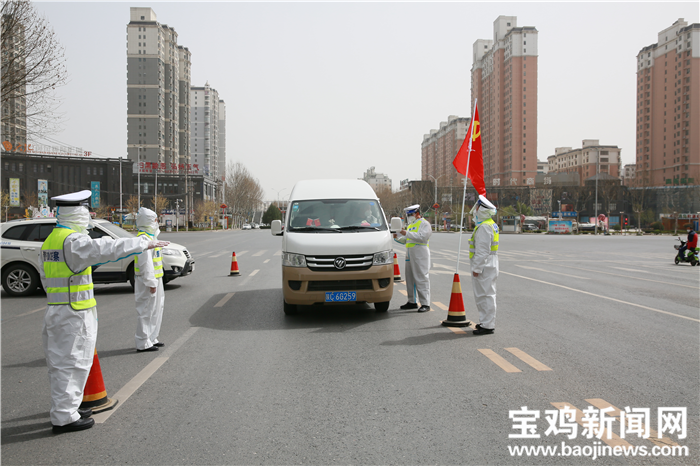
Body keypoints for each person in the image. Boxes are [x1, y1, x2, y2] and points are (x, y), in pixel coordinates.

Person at [40, 191, 169, 433]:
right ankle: (64, 416)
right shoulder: (72, 242)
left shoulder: (52, 240)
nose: (89, 217)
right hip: (74, 312)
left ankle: (69, 407)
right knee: (73, 363)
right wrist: (143, 242)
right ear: (76, 212)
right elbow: (107, 248)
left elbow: (45, 277)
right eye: (85, 211)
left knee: (63, 363)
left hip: (59, 310)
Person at [134, 207, 166, 352]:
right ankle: (143, 342)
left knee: (157, 309)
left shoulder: (151, 237)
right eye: (155, 220)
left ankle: (152, 337)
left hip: (156, 279)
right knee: (146, 311)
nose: (157, 222)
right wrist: (151, 282)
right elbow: (145, 264)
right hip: (146, 281)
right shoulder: (143, 240)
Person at [469, 195, 499, 335]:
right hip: (489, 263)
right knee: (485, 294)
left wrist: (476, 268)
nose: (475, 209)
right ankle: (485, 322)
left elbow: (482, 251)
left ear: (481, 210)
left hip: (485, 265)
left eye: (477, 207)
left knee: (485, 295)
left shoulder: (484, 227)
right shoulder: (489, 224)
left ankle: (487, 325)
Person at [393, 204, 432, 312]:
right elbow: (407, 239)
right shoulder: (411, 225)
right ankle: (412, 301)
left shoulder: (425, 224)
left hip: (420, 253)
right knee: (410, 278)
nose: (409, 216)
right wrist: (398, 237)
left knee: (421, 278)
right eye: (408, 214)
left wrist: (406, 233)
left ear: (417, 214)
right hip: (410, 253)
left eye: (411, 214)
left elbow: (422, 237)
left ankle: (425, 303)